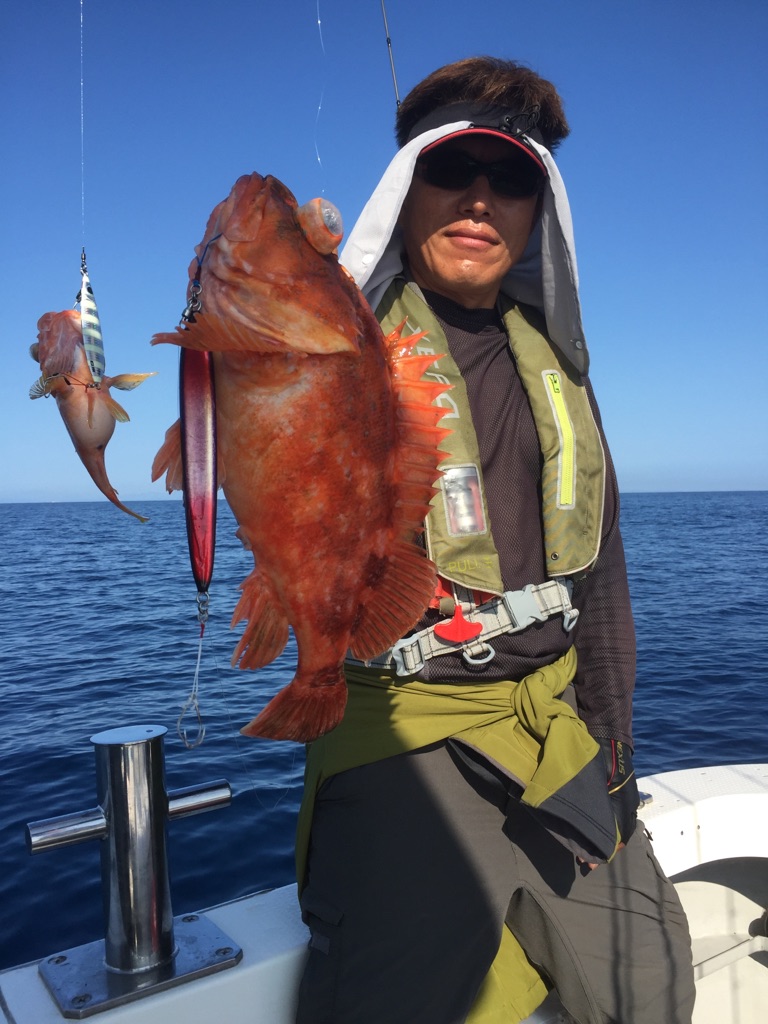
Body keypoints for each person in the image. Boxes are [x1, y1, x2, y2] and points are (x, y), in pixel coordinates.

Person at [294, 57, 696, 1024]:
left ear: (538, 208)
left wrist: (614, 741)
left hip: (553, 726)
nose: (480, 199)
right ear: (405, 187)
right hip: (404, 729)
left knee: (654, 986)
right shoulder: (330, 345)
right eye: (451, 169)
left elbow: (601, 573)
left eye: (512, 177)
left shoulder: (559, 366)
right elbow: (267, 475)